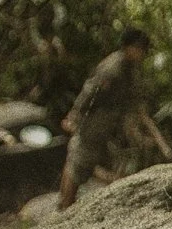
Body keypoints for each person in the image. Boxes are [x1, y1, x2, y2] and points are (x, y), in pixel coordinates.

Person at [58, 28, 156, 208]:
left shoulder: (129, 69)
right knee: (79, 162)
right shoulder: (112, 67)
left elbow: (133, 101)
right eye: (140, 48)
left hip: (109, 125)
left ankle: (66, 204)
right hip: (94, 122)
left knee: (86, 163)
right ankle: (64, 205)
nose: (143, 54)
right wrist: (75, 116)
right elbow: (90, 93)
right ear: (130, 47)